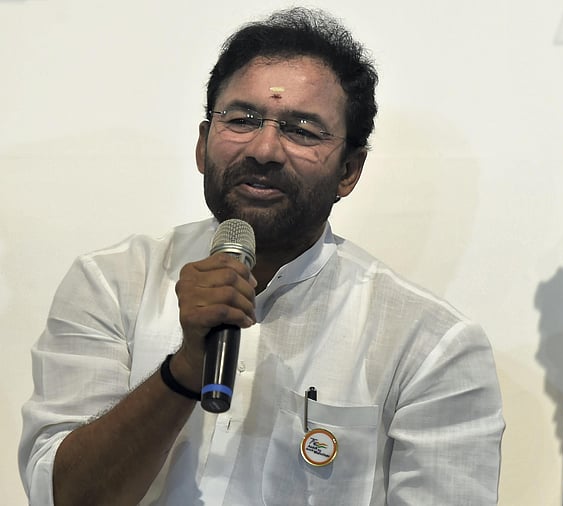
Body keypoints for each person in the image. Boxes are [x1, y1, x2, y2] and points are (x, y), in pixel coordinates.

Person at [19, 8, 504, 505]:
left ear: (349, 171)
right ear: (203, 144)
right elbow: (64, 497)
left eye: (302, 130)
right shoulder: (112, 282)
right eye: (243, 120)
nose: (265, 148)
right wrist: (184, 369)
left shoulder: (430, 345)